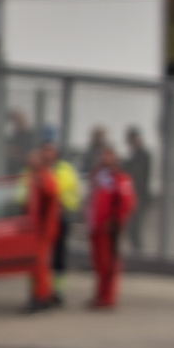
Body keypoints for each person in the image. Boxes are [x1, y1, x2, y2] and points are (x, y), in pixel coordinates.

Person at [85, 145, 136, 309]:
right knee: (99, 264)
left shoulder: (120, 177)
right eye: (103, 154)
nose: (104, 158)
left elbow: (127, 202)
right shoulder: (97, 175)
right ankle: (99, 295)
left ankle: (108, 298)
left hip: (109, 229)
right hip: (96, 227)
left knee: (109, 264)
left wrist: (116, 221)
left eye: (108, 154)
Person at [22, 143, 61, 312]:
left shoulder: (44, 176)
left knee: (40, 264)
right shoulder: (34, 176)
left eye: (33, 157)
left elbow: (50, 192)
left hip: (44, 229)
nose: (29, 160)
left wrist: (40, 183)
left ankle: (41, 297)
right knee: (38, 264)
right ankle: (41, 294)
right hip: (36, 228)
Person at [47, 136, 82, 301]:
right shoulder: (37, 169)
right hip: (42, 220)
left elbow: (69, 193)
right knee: (42, 257)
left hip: (60, 217)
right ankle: (42, 291)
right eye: (45, 150)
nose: (47, 153)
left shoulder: (65, 170)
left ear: (57, 153)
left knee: (58, 256)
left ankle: (58, 290)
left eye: (50, 150)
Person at [122, 127, 152, 252]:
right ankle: (137, 250)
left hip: (140, 195)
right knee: (131, 227)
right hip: (133, 195)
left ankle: (138, 251)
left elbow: (139, 177)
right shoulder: (132, 156)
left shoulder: (143, 155)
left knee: (135, 226)